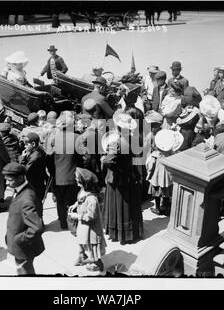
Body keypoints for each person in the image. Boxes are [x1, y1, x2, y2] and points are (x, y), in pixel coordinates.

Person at [101, 112, 143, 244]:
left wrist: (103, 158)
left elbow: (109, 160)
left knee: (120, 207)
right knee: (129, 207)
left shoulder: (116, 142)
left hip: (118, 179)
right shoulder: (132, 138)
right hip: (129, 174)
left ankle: (121, 233)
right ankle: (131, 232)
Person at [3, 162, 45, 275]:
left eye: (10, 180)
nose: (7, 183)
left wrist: (18, 239)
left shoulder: (26, 198)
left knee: (25, 273)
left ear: (21, 178)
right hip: (21, 247)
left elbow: (36, 227)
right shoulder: (22, 189)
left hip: (23, 248)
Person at [68, 167, 106, 272]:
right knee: (81, 239)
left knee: (92, 245)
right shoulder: (83, 190)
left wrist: (77, 216)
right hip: (83, 224)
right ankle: (82, 256)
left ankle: (97, 264)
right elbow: (80, 199)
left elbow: (91, 216)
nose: (76, 181)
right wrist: (75, 204)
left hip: (91, 227)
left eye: (78, 180)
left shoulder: (92, 199)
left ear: (85, 182)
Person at [49, 111, 81, 229]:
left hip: (58, 175)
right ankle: (73, 224)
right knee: (72, 201)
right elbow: (83, 158)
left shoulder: (54, 139)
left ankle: (63, 223)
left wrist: (53, 172)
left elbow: (50, 158)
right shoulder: (77, 137)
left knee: (60, 201)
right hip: (73, 175)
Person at [146, 129, 184, 215]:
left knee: (156, 193)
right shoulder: (172, 154)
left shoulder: (155, 155)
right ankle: (166, 207)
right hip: (168, 177)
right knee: (166, 192)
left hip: (156, 177)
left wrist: (149, 174)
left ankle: (158, 208)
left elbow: (149, 165)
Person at [18, 132, 48, 218]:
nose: (24, 146)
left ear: (33, 144)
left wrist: (22, 159)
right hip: (38, 182)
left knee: (35, 204)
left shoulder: (35, 157)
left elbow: (23, 170)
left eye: (26, 144)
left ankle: (37, 224)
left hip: (34, 184)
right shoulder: (38, 150)